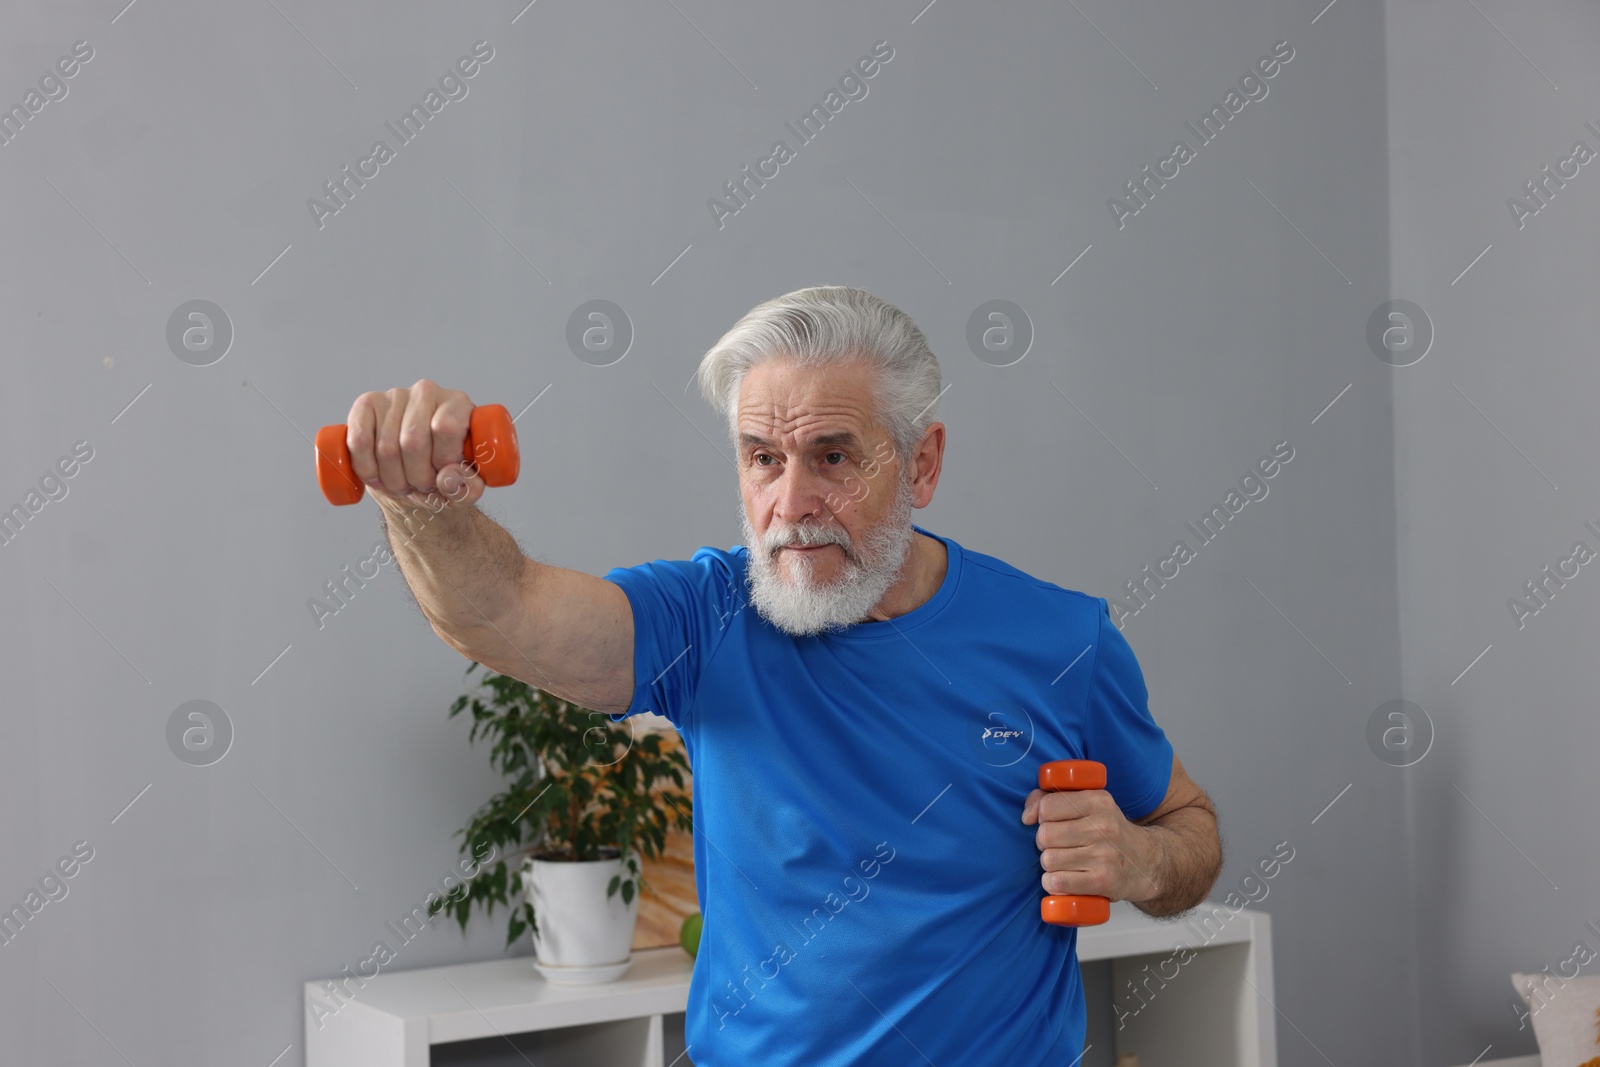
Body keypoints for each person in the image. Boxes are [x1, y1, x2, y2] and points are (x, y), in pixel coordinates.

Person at [342, 285, 1222, 1065]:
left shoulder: (1063, 636)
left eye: (832, 457)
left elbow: (1191, 830)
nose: (790, 504)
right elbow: (502, 613)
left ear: (921, 462)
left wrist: (1140, 858)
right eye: (763, 457)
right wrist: (415, 496)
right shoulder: (709, 614)